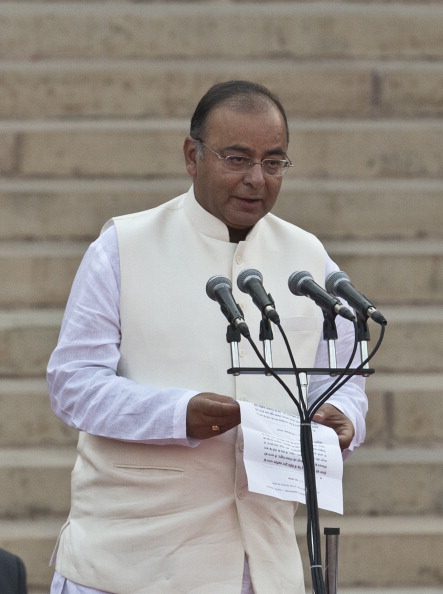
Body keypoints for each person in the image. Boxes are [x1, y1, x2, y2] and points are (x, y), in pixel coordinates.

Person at [47, 80, 367, 594]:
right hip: (131, 565)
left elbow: (345, 379)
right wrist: (179, 415)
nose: (256, 179)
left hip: (262, 567)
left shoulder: (309, 259)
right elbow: (72, 383)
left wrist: (345, 417)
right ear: (192, 156)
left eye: (273, 162)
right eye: (236, 158)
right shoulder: (122, 248)